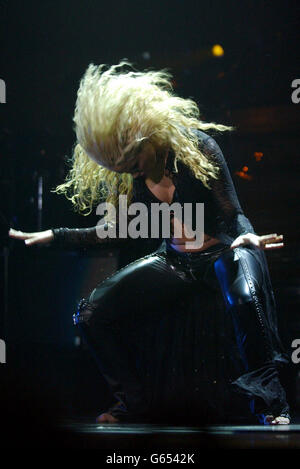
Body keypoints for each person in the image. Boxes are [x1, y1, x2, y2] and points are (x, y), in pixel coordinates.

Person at [9, 61, 290, 425]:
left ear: (147, 135)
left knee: (245, 298)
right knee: (91, 314)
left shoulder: (199, 148)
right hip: (174, 261)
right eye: (123, 168)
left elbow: (232, 212)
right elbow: (112, 229)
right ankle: (134, 403)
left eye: (134, 163)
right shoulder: (130, 177)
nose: (132, 172)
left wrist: (245, 238)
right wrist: (55, 235)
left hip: (223, 250)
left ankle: (272, 405)